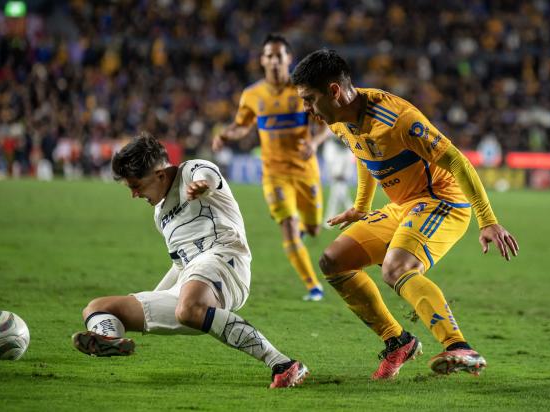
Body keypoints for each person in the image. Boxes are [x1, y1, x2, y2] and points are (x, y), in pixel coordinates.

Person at [291, 50, 519, 379]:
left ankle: (458, 346)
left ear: (333, 91)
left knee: (397, 267)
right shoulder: (341, 119)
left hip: (441, 201)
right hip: (403, 206)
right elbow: (364, 155)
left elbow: (457, 161)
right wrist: (361, 206)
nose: (306, 109)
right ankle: (398, 342)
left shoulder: (398, 119)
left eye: (309, 99)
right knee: (333, 261)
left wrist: (488, 220)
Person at [71, 133, 309, 389]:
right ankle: (109, 339)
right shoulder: (160, 214)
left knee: (189, 307)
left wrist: (200, 185)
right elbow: (180, 265)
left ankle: (283, 364)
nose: (134, 194)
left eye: (136, 186)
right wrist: (151, 297)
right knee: (97, 307)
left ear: (160, 175)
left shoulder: (192, 170)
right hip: (190, 281)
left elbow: (208, 176)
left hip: (225, 260)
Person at [213, 34, 328, 301]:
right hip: (274, 172)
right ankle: (313, 287)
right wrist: (225, 135)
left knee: (313, 229)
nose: (274, 60)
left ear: (289, 59)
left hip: (305, 170)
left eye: (279, 56)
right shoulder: (252, 95)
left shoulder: (303, 90)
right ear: (262, 60)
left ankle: (304, 230)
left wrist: (314, 141)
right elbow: (242, 125)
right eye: (269, 56)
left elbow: (325, 124)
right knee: (287, 224)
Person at [322, 134, 355, 227]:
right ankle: (351, 211)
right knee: (338, 181)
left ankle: (330, 218)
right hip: (333, 147)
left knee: (339, 184)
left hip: (347, 148)